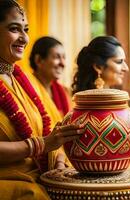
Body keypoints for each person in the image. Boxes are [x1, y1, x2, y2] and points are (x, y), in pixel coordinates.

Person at [0, 1, 84, 199]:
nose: (24, 38)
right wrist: (41, 145)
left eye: (26, 30)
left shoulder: (23, 80)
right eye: (14, 29)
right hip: (10, 183)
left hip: (39, 176)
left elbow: (51, 131)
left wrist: (59, 161)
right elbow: (45, 140)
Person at [29, 36, 71, 117]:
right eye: (56, 57)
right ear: (39, 60)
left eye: (64, 57)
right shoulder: (27, 90)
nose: (63, 63)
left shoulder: (64, 92)